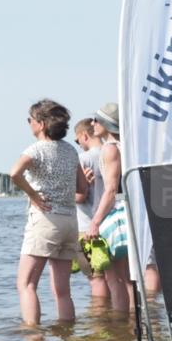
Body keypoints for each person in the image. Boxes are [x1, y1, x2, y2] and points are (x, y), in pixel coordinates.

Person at [10, 99, 88, 324]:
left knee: (26, 284)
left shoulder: (36, 150)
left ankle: (33, 338)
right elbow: (83, 189)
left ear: (41, 124)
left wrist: (34, 196)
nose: (29, 124)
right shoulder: (71, 151)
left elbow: (14, 173)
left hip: (45, 221)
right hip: (69, 222)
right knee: (63, 291)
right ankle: (67, 335)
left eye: (30, 120)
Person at [86, 103, 130, 313]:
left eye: (96, 119)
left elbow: (111, 189)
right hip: (130, 210)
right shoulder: (127, 145)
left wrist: (95, 222)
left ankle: (121, 327)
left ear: (107, 123)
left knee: (115, 278)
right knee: (129, 277)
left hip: (118, 214)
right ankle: (134, 324)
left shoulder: (110, 148)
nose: (92, 123)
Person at [73, 118, 108, 300]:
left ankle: (100, 320)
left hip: (87, 226)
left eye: (76, 141)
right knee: (116, 278)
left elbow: (80, 196)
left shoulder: (82, 159)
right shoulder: (113, 152)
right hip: (111, 224)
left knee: (95, 277)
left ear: (84, 136)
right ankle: (119, 320)